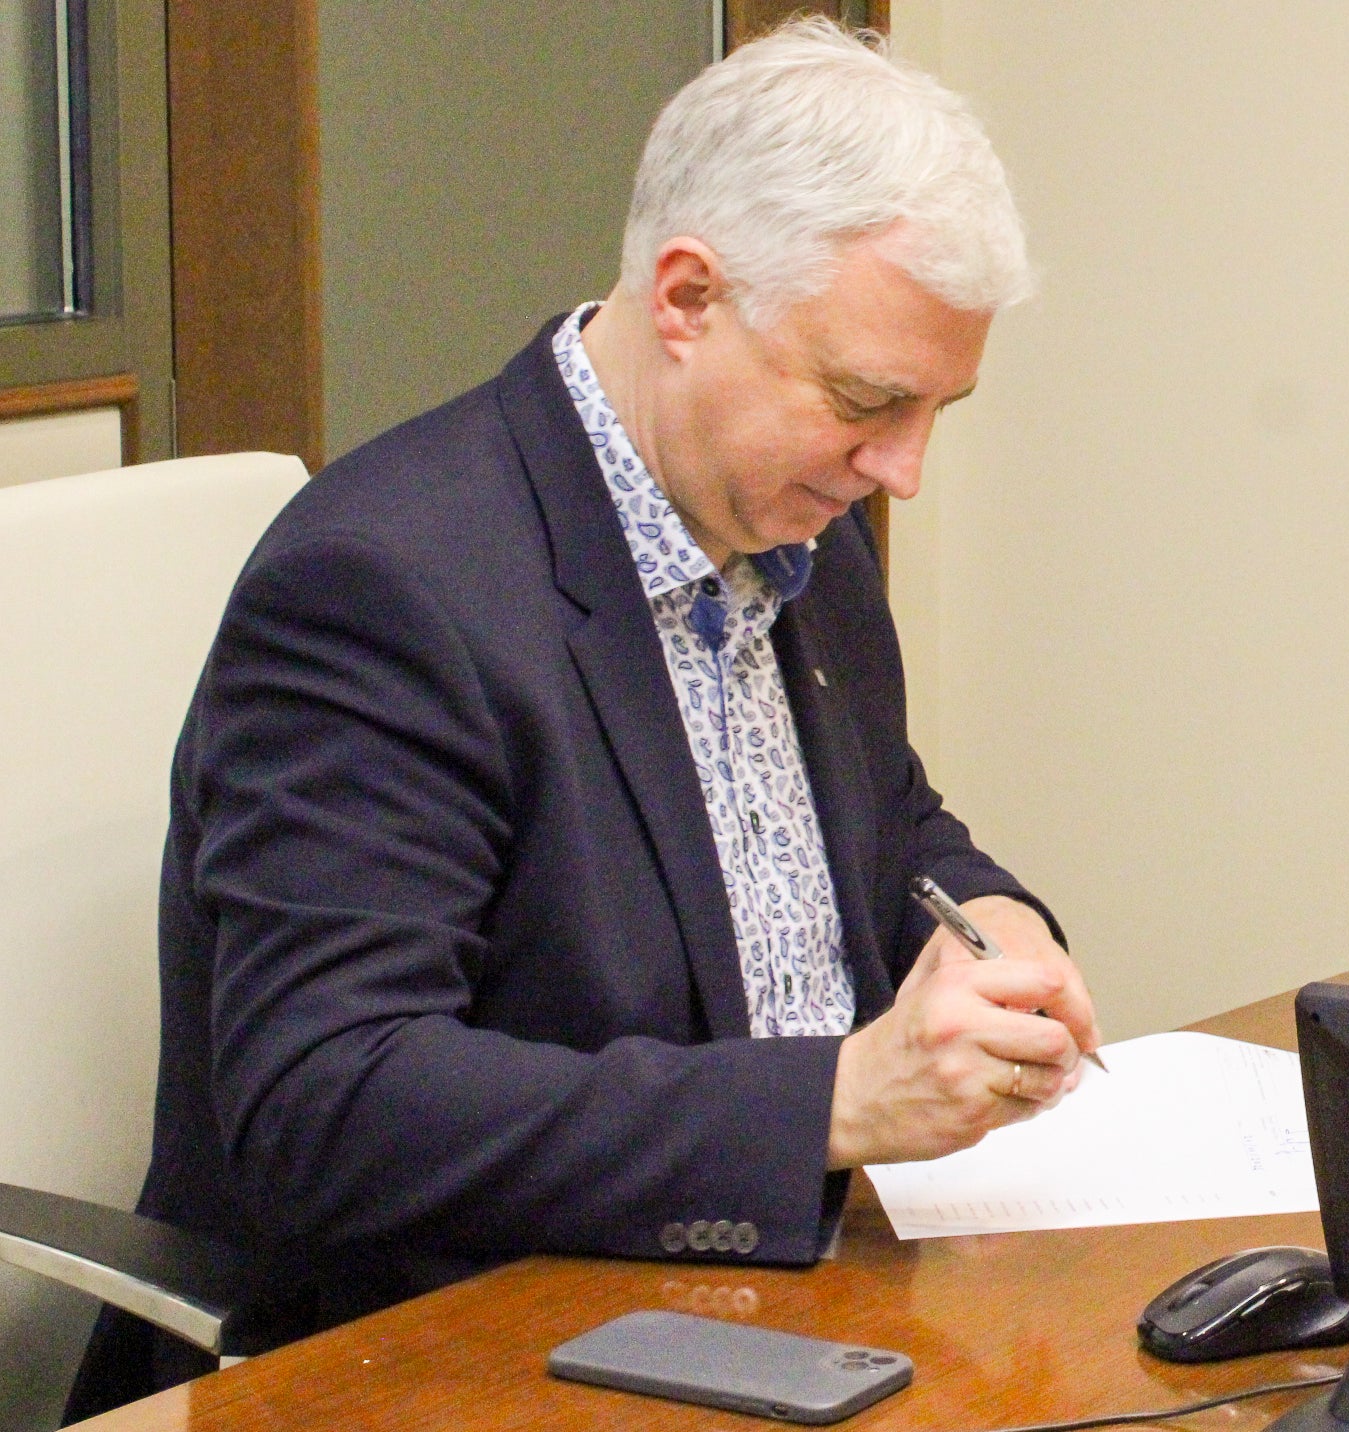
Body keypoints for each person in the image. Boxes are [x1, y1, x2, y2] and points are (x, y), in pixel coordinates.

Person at [68, 21, 1096, 1416]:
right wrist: (837, 1103)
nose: (901, 470)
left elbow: (894, 824)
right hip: (441, 1351)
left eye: (937, 410)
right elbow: (324, 1102)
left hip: (766, 1312)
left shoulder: (801, 527)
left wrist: (996, 929)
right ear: (685, 298)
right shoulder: (385, 586)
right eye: (868, 401)